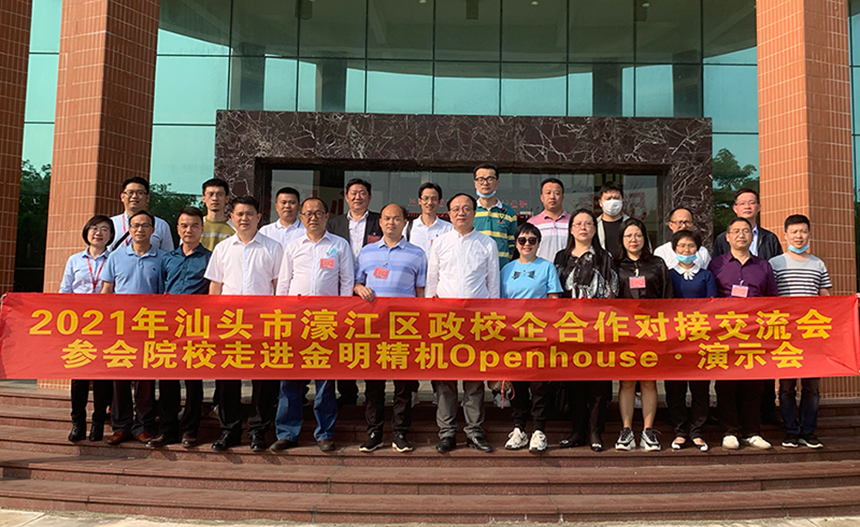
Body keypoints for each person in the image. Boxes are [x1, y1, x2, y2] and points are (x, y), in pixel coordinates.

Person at [271, 197, 354, 453]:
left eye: (318, 213)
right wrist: (282, 318)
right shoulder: (293, 246)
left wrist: (341, 317)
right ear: (301, 217)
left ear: (327, 216)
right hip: (296, 321)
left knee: (325, 380)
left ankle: (325, 433)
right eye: (308, 213)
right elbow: (283, 284)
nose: (313, 217)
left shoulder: (339, 245)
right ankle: (287, 433)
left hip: (326, 321)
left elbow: (347, 282)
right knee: (290, 379)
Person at [204, 196, 284, 452]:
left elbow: (278, 287)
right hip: (229, 323)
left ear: (259, 217)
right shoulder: (223, 248)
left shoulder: (273, 247)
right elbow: (215, 285)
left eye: (249, 214)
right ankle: (229, 431)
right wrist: (213, 320)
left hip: (263, 322)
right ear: (232, 217)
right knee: (228, 378)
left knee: (263, 379)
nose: (244, 218)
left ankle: (258, 431)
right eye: (239, 214)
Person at [426, 193, 499, 454]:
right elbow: (432, 281)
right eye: (456, 209)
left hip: (477, 319)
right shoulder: (440, 242)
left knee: (474, 378)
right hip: (445, 320)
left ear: (474, 213)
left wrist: (492, 319)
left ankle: (474, 431)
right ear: (448, 213)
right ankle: (447, 432)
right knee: (445, 379)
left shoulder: (487, 243)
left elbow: (493, 284)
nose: (461, 213)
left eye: (466, 208)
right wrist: (430, 315)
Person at [354, 203, 426, 453]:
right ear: (380, 222)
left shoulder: (417, 254)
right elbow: (356, 283)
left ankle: (400, 432)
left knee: (403, 384)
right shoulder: (366, 252)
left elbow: (421, 291)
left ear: (405, 223)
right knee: (374, 384)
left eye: (396, 219)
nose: (391, 223)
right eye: (386, 218)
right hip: (374, 327)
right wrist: (359, 288)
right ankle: (374, 432)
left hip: (404, 327)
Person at [712, 188, 783, 427]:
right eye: (736, 232)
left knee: (755, 380)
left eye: (745, 231)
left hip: (755, 329)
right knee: (726, 380)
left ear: (752, 237)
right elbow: (710, 298)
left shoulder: (763, 265)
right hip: (726, 329)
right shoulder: (716, 264)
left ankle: (753, 428)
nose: (741, 235)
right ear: (727, 238)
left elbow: (772, 297)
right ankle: (729, 429)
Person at [146, 206, 211, 449]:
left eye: (194, 226)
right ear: (177, 229)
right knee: (167, 381)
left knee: (193, 382)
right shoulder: (167, 259)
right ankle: (167, 430)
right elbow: (161, 290)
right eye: (184, 225)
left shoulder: (210, 258)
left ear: (202, 229)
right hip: (169, 327)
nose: (189, 230)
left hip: (196, 326)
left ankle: (190, 431)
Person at [100, 210, 167, 445]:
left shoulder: (163, 258)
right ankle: (121, 427)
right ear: (129, 230)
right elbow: (107, 290)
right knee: (120, 378)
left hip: (150, 327)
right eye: (136, 225)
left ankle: (143, 426)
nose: (140, 229)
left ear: (153, 230)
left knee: (145, 380)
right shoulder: (116, 257)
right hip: (121, 326)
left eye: (145, 225)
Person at [554, 209, 618, 452]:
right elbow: (554, 291)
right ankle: (577, 431)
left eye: (588, 224)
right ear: (571, 229)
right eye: (578, 223)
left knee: (598, 384)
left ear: (594, 229)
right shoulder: (561, 257)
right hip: (568, 328)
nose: (583, 227)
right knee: (574, 383)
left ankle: (595, 432)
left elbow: (612, 290)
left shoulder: (605, 257)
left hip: (598, 328)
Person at [770, 214, 831, 449]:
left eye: (803, 231)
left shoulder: (818, 264)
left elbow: (826, 298)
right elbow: (769, 298)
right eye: (794, 232)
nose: (799, 236)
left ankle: (808, 431)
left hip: (811, 334)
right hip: (785, 335)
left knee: (811, 387)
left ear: (809, 234)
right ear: (785, 235)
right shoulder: (775, 263)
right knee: (786, 387)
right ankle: (790, 431)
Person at [501, 223, 562, 453]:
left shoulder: (547, 267)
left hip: (539, 333)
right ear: (516, 243)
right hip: (514, 334)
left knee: (538, 384)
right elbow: (499, 303)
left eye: (532, 240)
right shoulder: (506, 269)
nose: (527, 244)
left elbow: (554, 301)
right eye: (522, 240)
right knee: (517, 383)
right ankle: (519, 428)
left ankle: (538, 430)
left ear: (538, 243)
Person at [613, 218, 672, 452]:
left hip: (652, 331)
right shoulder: (616, 265)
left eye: (637, 235)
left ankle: (648, 431)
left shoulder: (657, 264)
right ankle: (626, 430)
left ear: (645, 238)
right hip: (624, 332)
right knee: (627, 381)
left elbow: (668, 297)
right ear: (621, 239)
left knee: (648, 381)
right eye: (628, 236)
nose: (633, 240)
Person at [327, 178, 382, 406]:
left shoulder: (380, 221)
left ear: (369, 197)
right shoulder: (334, 223)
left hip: (373, 291)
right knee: (344, 341)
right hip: (343, 290)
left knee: (372, 341)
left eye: (362, 193)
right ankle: (347, 391)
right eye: (353, 193)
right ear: (346, 197)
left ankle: (373, 393)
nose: (357, 197)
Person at [60, 215, 115, 443]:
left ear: (111, 235)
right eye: (94, 228)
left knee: (103, 376)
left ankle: (98, 423)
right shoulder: (74, 260)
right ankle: (77, 423)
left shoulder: (115, 259)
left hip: (106, 325)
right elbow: (65, 291)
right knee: (79, 375)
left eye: (104, 229)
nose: (98, 233)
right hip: (80, 324)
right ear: (86, 232)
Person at [665, 230, 716, 452]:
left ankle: (697, 432)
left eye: (691, 246)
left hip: (699, 339)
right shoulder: (668, 274)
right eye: (682, 246)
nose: (686, 250)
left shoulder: (706, 276)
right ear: (674, 249)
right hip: (675, 340)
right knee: (675, 388)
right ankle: (679, 431)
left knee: (700, 388)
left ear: (698, 249)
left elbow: (712, 305)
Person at [110, 177, 174, 252]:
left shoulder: (161, 225)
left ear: (147, 198)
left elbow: (168, 255)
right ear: (122, 197)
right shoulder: (111, 223)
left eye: (140, 193)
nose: (134, 196)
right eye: (130, 192)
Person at [473, 163, 517, 268]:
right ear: (475, 183)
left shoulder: (508, 212)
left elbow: (513, 244)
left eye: (490, 179)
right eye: (481, 179)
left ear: (497, 183)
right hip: (475, 270)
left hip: (502, 269)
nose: (485, 183)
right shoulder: (470, 211)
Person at [527, 178, 570, 263]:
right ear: (542, 197)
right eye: (548, 193)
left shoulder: (573, 222)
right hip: (540, 269)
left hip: (567, 269)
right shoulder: (532, 223)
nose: (552, 197)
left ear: (562, 197)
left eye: (557, 193)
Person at [405, 182, 452, 257]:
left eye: (434, 199)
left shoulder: (448, 228)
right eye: (426, 198)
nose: (430, 202)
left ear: (439, 202)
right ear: (419, 201)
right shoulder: (408, 227)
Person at [200, 178, 235, 251]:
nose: (215, 198)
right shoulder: (195, 226)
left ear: (227, 199)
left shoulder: (235, 227)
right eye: (210, 194)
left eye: (220, 194)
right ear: (203, 198)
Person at [595, 181, 628, 257]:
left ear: (622, 201)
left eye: (616, 198)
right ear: (600, 203)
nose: (612, 202)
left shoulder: (633, 225)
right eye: (608, 198)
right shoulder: (594, 226)